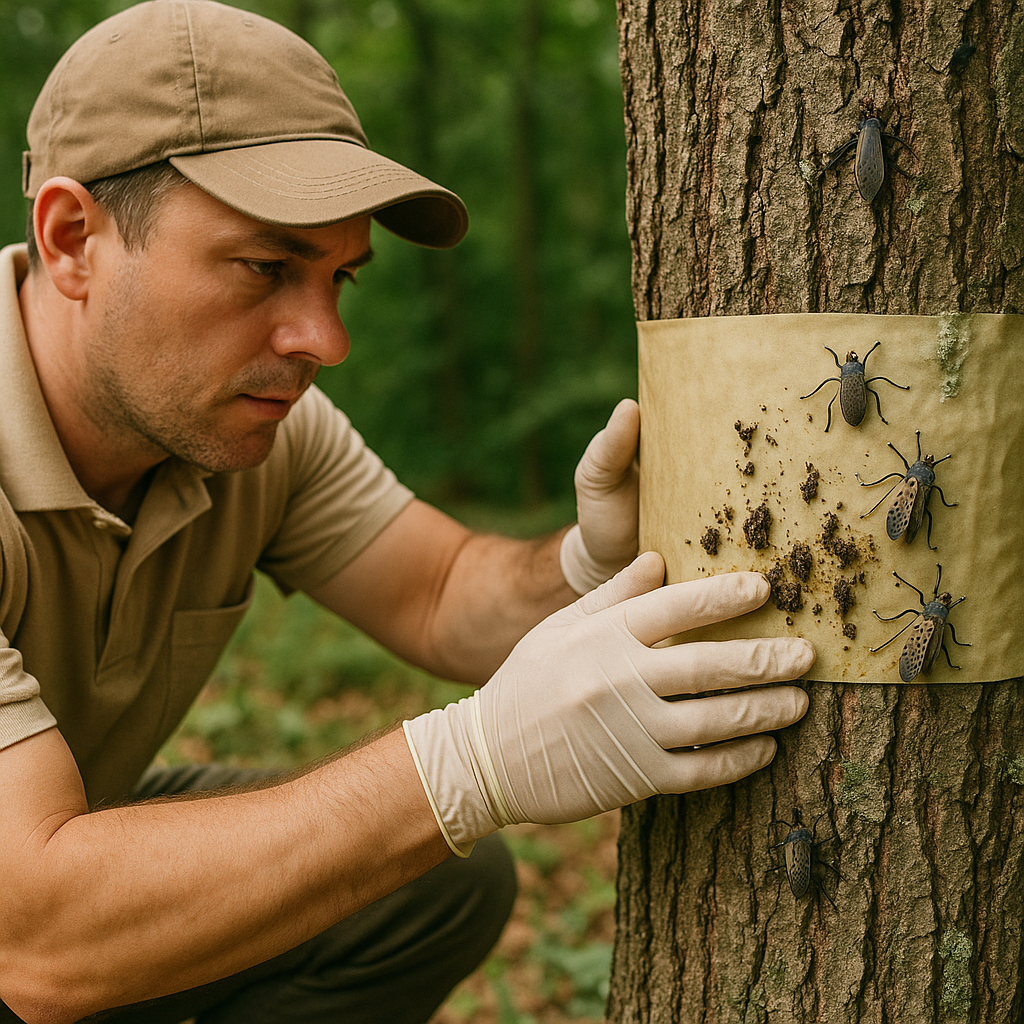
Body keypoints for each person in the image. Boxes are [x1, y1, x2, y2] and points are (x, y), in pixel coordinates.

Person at [0, 3, 815, 1022]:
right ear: (73, 238)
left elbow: (436, 593)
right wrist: (468, 763)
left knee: (427, 889)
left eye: (337, 277)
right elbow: (33, 934)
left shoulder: (253, 430)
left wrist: (581, 565)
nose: (323, 338)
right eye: (266, 267)